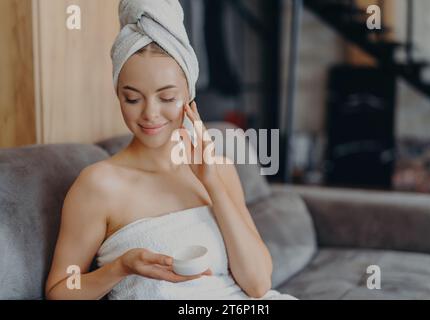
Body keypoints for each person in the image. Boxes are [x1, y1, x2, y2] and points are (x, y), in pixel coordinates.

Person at [45, 0, 297, 300]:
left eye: (167, 98)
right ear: (118, 95)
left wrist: (213, 184)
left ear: (189, 98)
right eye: (132, 98)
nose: (150, 113)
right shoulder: (98, 186)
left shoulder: (218, 169)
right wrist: (121, 267)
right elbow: (60, 290)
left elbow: (257, 286)